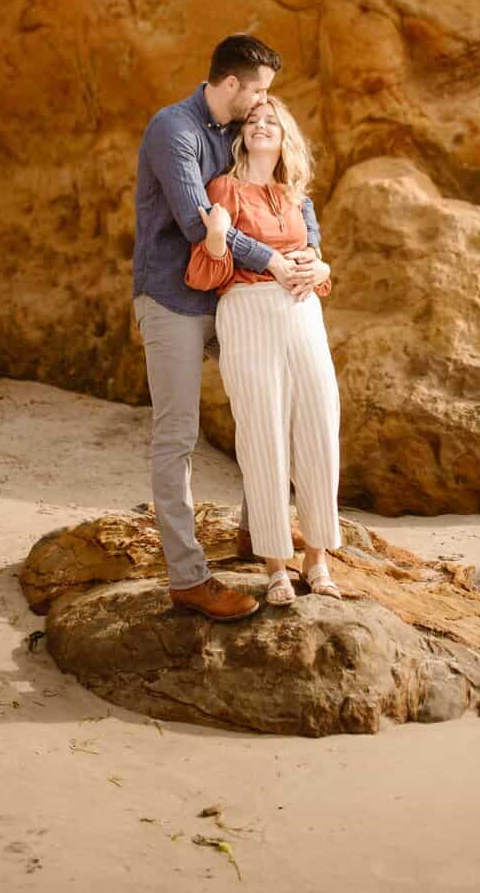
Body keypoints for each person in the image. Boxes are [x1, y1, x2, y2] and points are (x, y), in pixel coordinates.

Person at [132, 35, 326, 622]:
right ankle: (188, 577)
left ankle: (256, 530)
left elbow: (281, 195)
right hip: (173, 300)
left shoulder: (232, 131)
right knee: (177, 434)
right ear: (234, 85)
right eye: (260, 91)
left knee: (270, 405)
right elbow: (199, 226)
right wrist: (274, 262)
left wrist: (313, 258)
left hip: (228, 299)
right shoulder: (175, 130)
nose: (264, 102)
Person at [186, 96, 343, 606]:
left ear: (285, 136)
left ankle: (317, 557)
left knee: (319, 423)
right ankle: (276, 564)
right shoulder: (223, 189)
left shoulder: (297, 197)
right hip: (247, 312)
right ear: (242, 135)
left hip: (303, 314)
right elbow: (207, 271)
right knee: (262, 432)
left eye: (271, 121)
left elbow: (316, 259)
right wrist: (215, 239)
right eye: (253, 120)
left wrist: (321, 269)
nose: (260, 125)